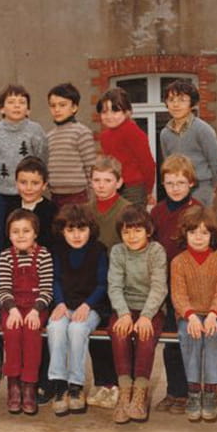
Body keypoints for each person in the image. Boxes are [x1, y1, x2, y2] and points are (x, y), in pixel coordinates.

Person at [150, 154, 201, 415]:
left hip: (190, 286)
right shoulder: (157, 211)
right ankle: (173, 391)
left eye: (181, 183)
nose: (175, 188)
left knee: (188, 340)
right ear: (163, 184)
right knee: (170, 341)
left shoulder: (197, 210)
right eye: (170, 183)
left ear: (191, 182)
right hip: (164, 283)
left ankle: (189, 392)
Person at [170, 206, 217, 422]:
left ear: (213, 235)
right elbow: (178, 294)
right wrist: (190, 316)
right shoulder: (178, 262)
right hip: (189, 315)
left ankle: (211, 391)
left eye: (204, 233)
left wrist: (214, 314)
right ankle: (194, 390)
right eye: (193, 232)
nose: (198, 237)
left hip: (216, 313)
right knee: (189, 334)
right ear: (184, 234)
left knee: (215, 334)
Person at [107, 205, 167, 424]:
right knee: (119, 333)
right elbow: (114, 286)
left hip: (151, 308)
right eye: (126, 231)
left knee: (145, 335)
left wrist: (146, 316)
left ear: (148, 231)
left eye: (137, 230)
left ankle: (140, 392)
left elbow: (159, 287)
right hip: (124, 306)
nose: (132, 236)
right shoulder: (118, 252)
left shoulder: (156, 251)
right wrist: (123, 313)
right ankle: (125, 392)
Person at [47, 204, 108, 417]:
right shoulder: (57, 250)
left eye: (81, 229)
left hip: (91, 306)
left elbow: (102, 284)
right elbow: (54, 280)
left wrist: (87, 305)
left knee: (77, 329)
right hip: (64, 305)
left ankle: (76, 385)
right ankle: (59, 385)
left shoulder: (99, 250)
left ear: (90, 229)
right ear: (62, 231)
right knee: (55, 328)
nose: (76, 235)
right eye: (70, 230)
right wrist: (60, 303)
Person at [85, 155, 130, 409]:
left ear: (119, 182)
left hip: (119, 281)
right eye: (97, 180)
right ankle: (101, 382)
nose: (101, 185)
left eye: (107, 180)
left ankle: (116, 384)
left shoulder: (127, 210)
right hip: (92, 281)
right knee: (95, 331)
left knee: (115, 333)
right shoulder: (86, 210)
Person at [0, 209, 53, 415]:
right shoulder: (6, 256)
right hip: (12, 306)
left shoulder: (43, 255)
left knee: (31, 335)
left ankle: (29, 385)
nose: (21, 236)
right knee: (12, 334)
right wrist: (12, 310)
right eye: (15, 231)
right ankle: (13, 385)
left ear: (35, 233)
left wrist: (36, 311)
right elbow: (3, 289)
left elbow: (47, 290)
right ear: (9, 234)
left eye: (26, 231)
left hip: (35, 307)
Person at [159, 80, 217, 207]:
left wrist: (212, 188)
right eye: (171, 100)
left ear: (191, 103)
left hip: (201, 189)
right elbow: (168, 164)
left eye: (182, 100)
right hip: (176, 189)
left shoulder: (203, 130)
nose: (176, 104)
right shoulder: (165, 134)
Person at [0, 83, 47, 207]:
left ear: (28, 110)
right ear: (2, 108)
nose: (17, 106)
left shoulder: (36, 131)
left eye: (22, 102)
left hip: (29, 193)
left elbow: (42, 161)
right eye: (11, 102)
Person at [96, 88, 156, 207]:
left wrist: (148, 191)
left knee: (132, 217)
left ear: (127, 112)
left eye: (115, 111)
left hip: (133, 188)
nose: (109, 116)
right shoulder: (104, 136)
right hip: (113, 186)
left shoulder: (133, 132)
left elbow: (147, 164)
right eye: (104, 112)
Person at [45, 83, 96, 207]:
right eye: (53, 105)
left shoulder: (82, 132)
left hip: (77, 197)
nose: (57, 109)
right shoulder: (49, 136)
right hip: (55, 196)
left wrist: (93, 200)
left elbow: (91, 168)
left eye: (62, 105)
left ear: (74, 107)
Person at [5, 156, 57, 251]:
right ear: (16, 183)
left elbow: (52, 244)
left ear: (44, 185)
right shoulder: (9, 207)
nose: (29, 188)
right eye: (23, 182)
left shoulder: (52, 211)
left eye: (35, 183)